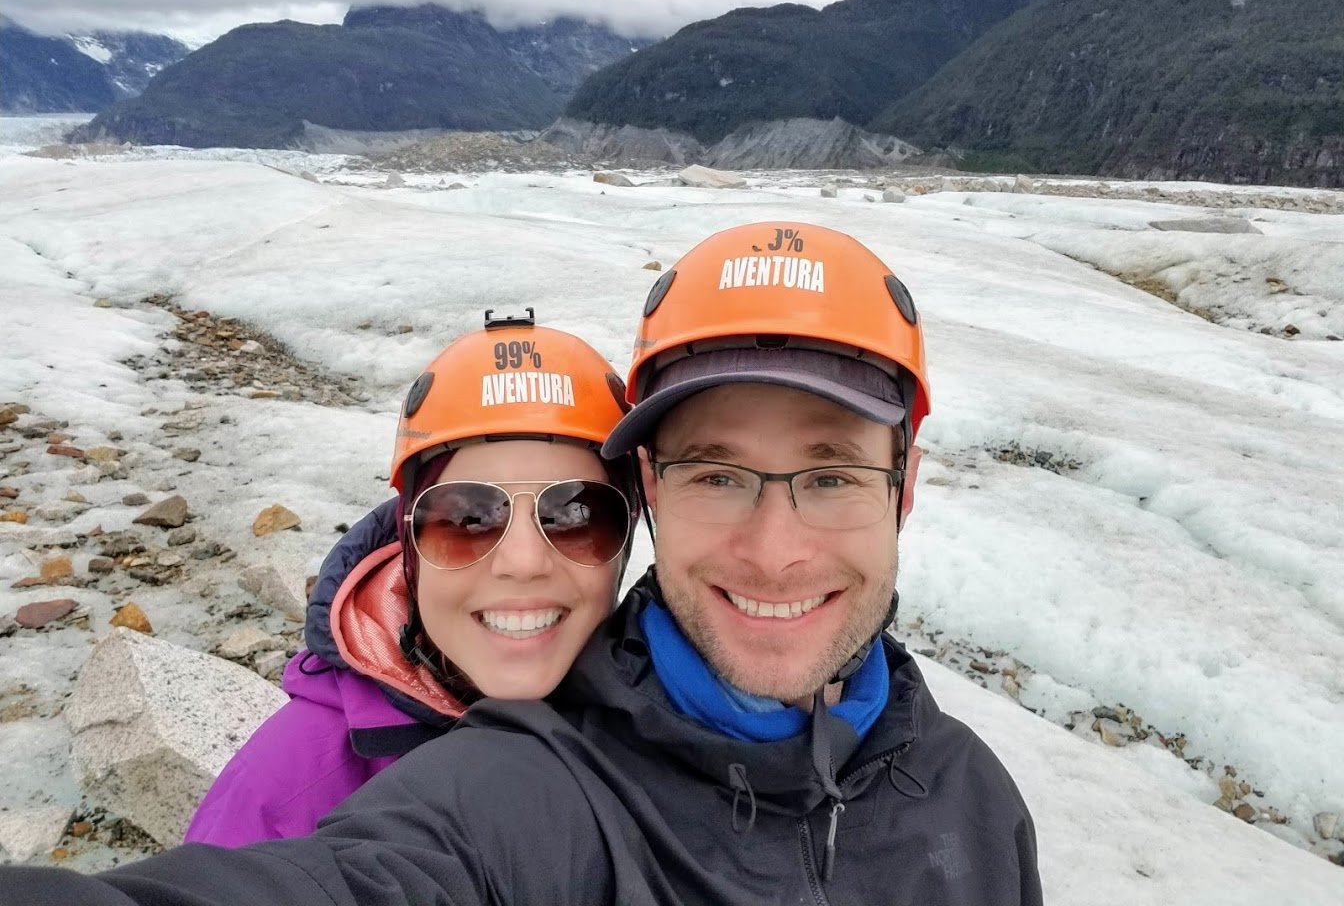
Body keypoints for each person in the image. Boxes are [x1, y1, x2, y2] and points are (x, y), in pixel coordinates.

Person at [3, 221, 1040, 905]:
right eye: (718, 473)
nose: (774, 551)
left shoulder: (976, 803)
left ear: (905, 490)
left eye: (830, 475)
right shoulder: (519, 788)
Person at [185, 309, 639, 845]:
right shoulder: (289, 790)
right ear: (408, 547)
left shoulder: (667, 728)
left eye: (574, 515)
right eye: (467, 518)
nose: (523, 562)